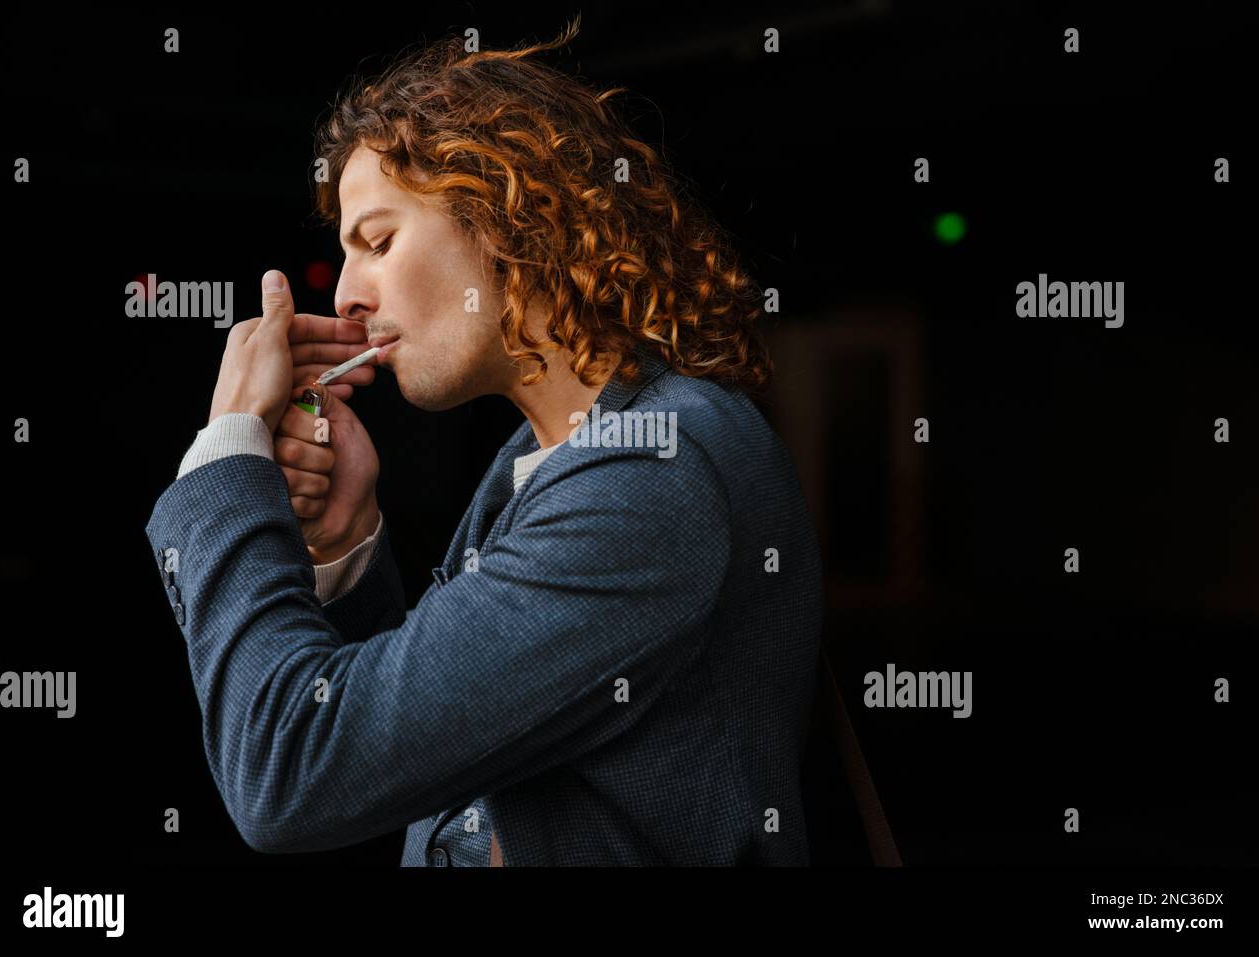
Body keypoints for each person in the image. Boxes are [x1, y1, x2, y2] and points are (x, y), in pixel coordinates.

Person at [145, 17, 823, 866]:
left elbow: (293, 773)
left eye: (379, 240)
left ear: (512, 216)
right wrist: (348, 543)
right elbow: (437, 752)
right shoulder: (555, 458)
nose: (347, 293)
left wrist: (228, 455)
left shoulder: (650, 473)